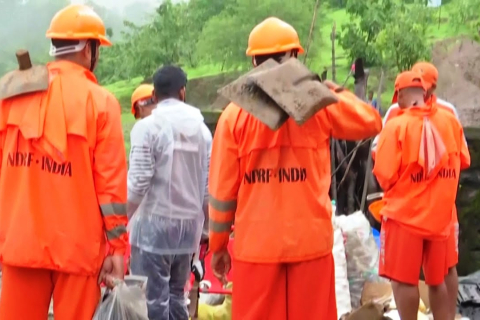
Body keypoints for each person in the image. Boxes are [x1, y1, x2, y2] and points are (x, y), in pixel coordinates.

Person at [208, 17, 382, 320]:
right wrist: (326, 90)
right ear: (295, 57)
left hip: (257, 250)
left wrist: (219, 245)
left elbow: (222, 194)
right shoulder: (319, 107)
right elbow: (371, 121)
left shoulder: (233, 117)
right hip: (310, 247)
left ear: (253, 60)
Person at [0, 4, 128, 320]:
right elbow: (110, 188)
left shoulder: (12, 94)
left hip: (20, 244)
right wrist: (117, 248)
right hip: (79, 250)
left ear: (55, 46)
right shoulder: (101, 103)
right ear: (89, 49)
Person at [372, 61, 466, 319]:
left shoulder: (395, 124)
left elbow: (384, 175)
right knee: (439, 278)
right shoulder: (450, 120)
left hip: (405, 218)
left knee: (404, 280)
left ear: (401, 95)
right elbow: (463, 160)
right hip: (441, 217)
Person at [127, 65, 212, 320]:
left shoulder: (147, 128)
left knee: (152, 299)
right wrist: (208, 229)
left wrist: (120, 222)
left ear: (154, 94)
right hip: (188, 232)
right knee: (177, 295)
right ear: (183, 92)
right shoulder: (202, 131)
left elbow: (138, 183)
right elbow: (207, 188)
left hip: (153, 230)